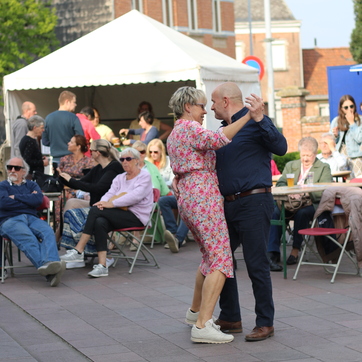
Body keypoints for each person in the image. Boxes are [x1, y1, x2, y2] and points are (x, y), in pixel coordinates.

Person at [167, 86, 263, 344]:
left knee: (209, 257)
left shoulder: (176, 132)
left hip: (189, 196)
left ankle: (195, 312)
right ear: (188, 107)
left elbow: (181, 164)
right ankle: (202, 325)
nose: (204, 110)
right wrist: (247, 116)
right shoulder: (189, 128)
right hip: (203, 198)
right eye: (200, 105)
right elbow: (218, 139)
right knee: (221, 258)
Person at [211, 82, 287, 342]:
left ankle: (265, 323)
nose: (210, 107)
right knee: (222, 261)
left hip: (254, 202)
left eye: (213, 102)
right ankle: (231, 317)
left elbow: (281, 147)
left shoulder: (255, 121)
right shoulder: (222, 131)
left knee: (256, 264)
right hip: (228, 204)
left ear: (224, 101)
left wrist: (262, 118)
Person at [60, 148, 153, 277]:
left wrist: (111, 203)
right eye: (122, 159)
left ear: (137, 161)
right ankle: (102, 265)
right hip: (118, 213)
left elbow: (135, 196)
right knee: (99, 221)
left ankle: (79, 249)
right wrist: (102, 203)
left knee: (95, 211)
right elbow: (109, 193)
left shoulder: (144, 176)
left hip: (136, 216)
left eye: (128, 159)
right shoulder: (120, 178)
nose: (124, 162)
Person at [268, 136, 333, 270]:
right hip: (290, 203)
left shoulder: (323, 167)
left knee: (302, 213)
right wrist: (290, 192)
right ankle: (272, 252)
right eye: (303, 155)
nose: (305, 159)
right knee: (276, 212)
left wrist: (306, 194)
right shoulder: (291, 165)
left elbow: (326, 191)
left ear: (315, 154)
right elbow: (280, 182)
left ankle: (295, 249)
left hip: (311, 205)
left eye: (308, 155)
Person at [0, 157, 66, 287]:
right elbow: (3, 202)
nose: (13, 170)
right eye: (10, 167)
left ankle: (51, 265)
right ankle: (49, 269)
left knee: (47, 231)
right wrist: (27, 200)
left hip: (31, 217)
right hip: (10, 219)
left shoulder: (31, 184)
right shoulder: (3, 185)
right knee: (28, 238)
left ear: (24, 171)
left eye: (17, 168)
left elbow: (37, 200)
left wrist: (16, 197)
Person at [59, 139, 124, 266]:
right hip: (95, 205)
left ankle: (82, 251)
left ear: (97, 153)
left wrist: (71, 180)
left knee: (77, 215)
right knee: (70, 205)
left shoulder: (114, 168)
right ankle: (76, 254)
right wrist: (62, 178)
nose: (89, 153)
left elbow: (97, 188)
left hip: (109, 208)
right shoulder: (98, 168)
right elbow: (82, 182)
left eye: (91, 150)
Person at [54, 135, 94, 240]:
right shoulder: (64, 159)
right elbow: (59, 176)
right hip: (64, 190)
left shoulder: (88, 161)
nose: (68, 143)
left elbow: (89, 179)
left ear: (78, 146)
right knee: (61, 204)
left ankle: (60, 236)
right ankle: (60, 234)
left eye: (71, 142)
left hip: (79, 190)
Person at [42, 91, 84, 163]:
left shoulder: (48, 118)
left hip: (55, 158)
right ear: (67, 102)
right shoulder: (73, 118)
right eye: (74, 102)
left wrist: (55, 144)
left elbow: (45, 141)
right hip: (72, 159)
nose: (75, 105)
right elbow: (81, 138)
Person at [330, 95, 362, 177]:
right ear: (341, 108)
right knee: (345, 184)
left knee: (357, 182)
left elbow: (359, 139)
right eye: (346, 107)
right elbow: (330, 141)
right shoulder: (336, 121)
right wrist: (335, 136)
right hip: (342, 157)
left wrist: (352, 123)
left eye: (351, 106)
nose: (349, 109)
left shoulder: (360, 120)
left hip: (356, 156)